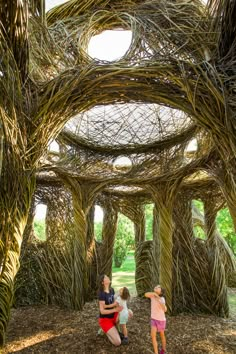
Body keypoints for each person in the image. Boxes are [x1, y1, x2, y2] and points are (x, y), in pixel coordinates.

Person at [98, 274, 123, 346]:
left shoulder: (112, 290)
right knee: (118, 342)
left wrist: (119, 304)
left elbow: (114, 303)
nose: (108, 277)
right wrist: (115, 310)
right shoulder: (101, 294)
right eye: (105, 277)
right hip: (105, 319)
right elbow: (102, 311)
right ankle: (106, 331)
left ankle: (114, 327)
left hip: (113, 317)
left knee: (129, 313)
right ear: (103, 282)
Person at [145, 285, 167, 354]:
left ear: (161, 292)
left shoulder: (162, 299)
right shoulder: (152, 296)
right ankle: (156, 352)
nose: (156, 287)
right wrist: (154, 294)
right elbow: (146, 294)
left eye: (158, 287)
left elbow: (165, 309)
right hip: (153, 319)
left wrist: (159, 300)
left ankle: (163, 349)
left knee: (162, 335)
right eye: (156, 286)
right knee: (153, 336)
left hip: (161, 320)